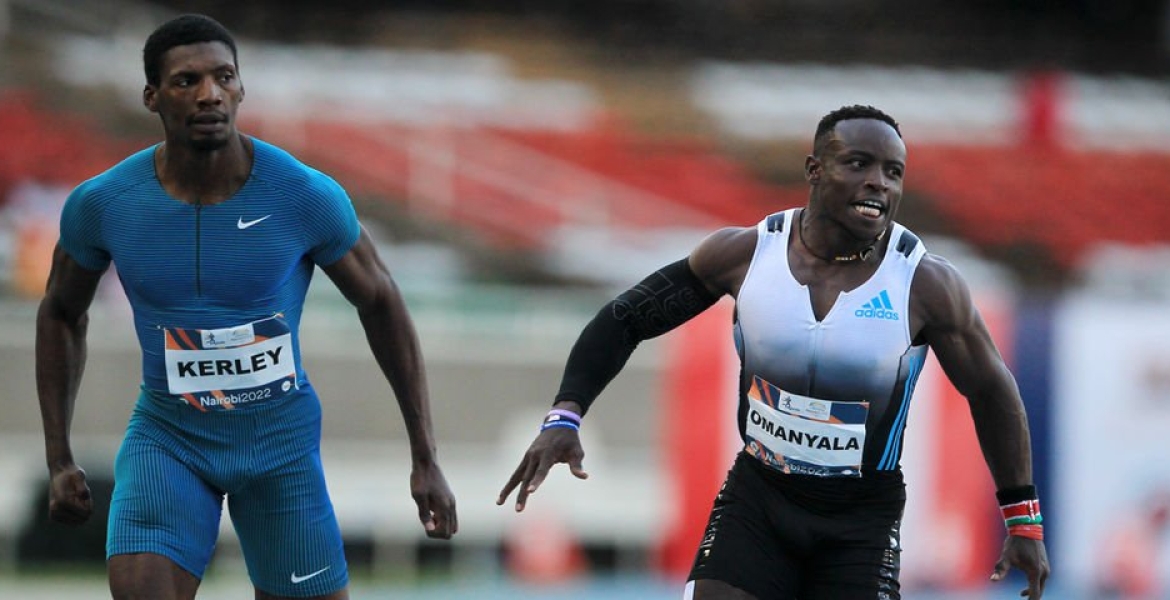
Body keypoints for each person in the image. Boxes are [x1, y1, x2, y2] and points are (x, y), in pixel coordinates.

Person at [498, 104, 1049, 599]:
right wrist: (564, 415)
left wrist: (1022, 520)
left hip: (861, 514)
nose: (878, 183)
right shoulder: (743, 256)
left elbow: (992, 391)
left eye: (893, 172)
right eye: (858, 164)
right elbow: (625, 319)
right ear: (814, 170)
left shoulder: (925, 285)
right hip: (760, 496)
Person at [36, 14, 457, 600]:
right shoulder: (104, 204)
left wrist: (425, 457)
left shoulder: (303, 195)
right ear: (151, 97)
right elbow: (60, 312)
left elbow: (382, 302)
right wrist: (59, 457)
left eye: (222, 77)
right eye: (186, 82)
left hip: (279, 448)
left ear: (240, 88)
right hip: (169, 440)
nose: (208, 93)